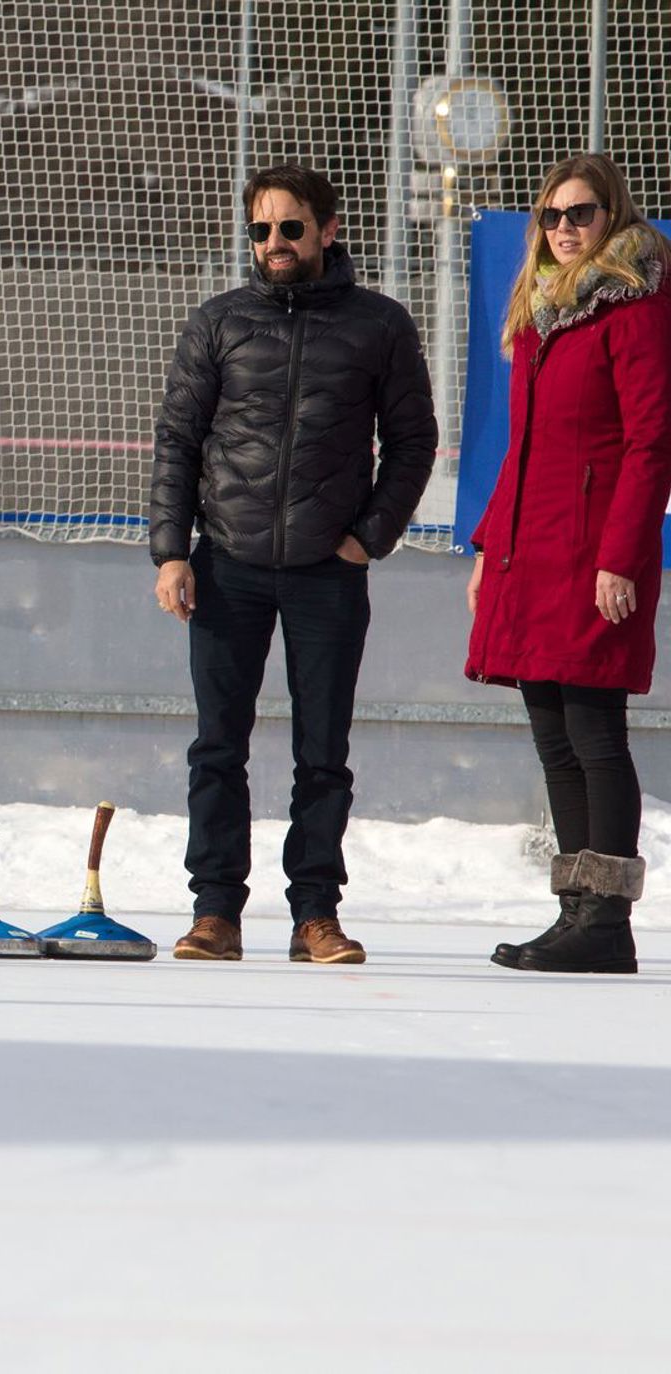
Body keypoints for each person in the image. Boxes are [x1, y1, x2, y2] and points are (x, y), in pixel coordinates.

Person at [150, 164, 436, 964]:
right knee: (217, 748)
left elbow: (413, 442)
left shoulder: (379, 324)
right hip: (227, 566)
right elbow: (177, 441)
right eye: (261, 229)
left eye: (290, 227)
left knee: (323, 755)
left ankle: (316, 914)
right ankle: (216, 912)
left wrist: (366, 538)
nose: (274, 242)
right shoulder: (218, 321)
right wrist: (172, 552)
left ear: (328, 230)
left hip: (327, 571)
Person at [468, 155, 671, 976]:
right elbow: (521, 448)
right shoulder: (541, 314)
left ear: (611, 216)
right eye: (551, 215)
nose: (563, 228)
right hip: (533, 552)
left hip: (592, 555)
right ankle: (575, 912)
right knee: (553, 735)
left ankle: (608, 921)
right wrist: (489, 547)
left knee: (593, 732)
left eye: (580, 213)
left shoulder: (633, 309)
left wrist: (621, 558)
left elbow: (651, 442)